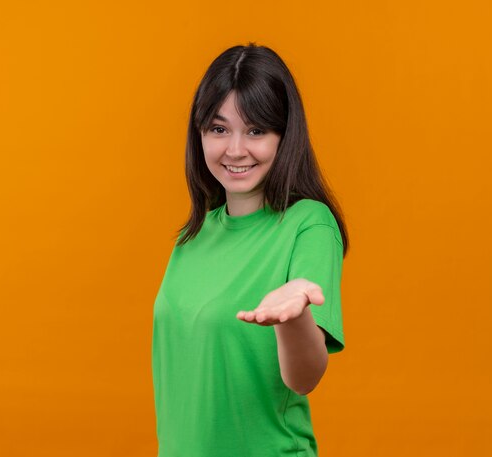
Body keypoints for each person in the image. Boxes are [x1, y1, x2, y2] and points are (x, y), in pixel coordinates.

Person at [151, 42, 349, 457]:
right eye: (219, 129)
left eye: (256, 130)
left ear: (284, 136)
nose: (236, 150)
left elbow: (305, 377)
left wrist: (293, 317)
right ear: (199, 133)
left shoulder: (308, 224)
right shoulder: (193, 236)